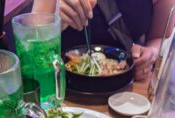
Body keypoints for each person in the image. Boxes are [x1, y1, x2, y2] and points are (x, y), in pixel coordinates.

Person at [32, 0, 175, 81]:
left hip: (128, 95)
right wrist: (53, 20)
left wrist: (149, 55)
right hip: (61, 91)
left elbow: (158, 38)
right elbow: (31, 39)